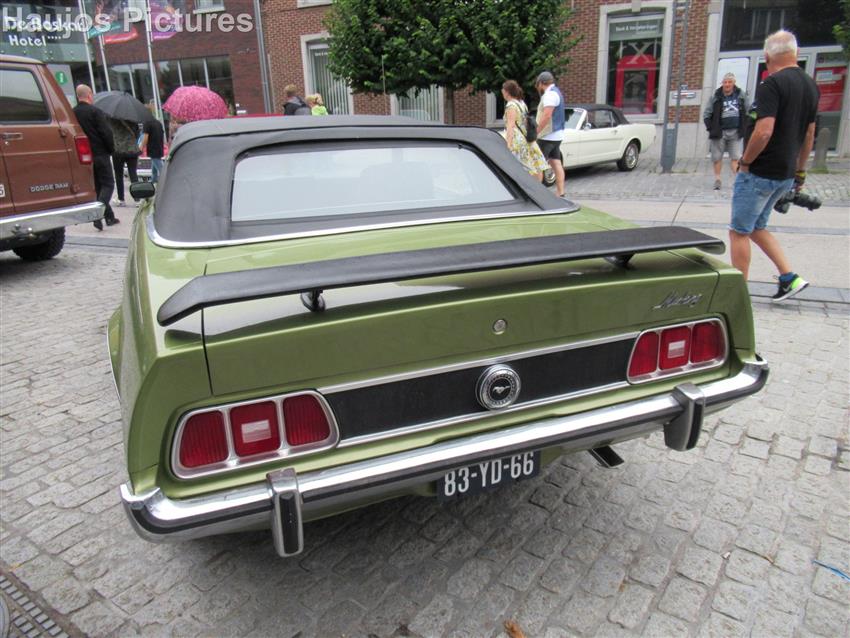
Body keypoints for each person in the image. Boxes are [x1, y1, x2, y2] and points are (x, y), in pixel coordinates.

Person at [730, 29, 819, 301]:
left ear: (767, 57)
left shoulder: (772, 84)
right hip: (785, 173)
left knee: (739, 232)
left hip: (761, 171)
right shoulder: (810, 85)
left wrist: (746, 162)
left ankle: (737, 296)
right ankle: (789, 278)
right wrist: (799, 172)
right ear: (796, 54)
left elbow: (764, 131)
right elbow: (809, 135)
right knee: (757, 227)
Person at [72, 84, 117, 230]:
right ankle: (98, 214)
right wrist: (111, 149)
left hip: (84, 156)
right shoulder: (95, 112)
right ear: (90, 95)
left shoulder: (72, 114)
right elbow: (106, 133)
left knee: (98, 186)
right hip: (100, 153)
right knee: (108, 184)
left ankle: (109, 217)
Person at [704, 72, 748, 190]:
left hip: (736, 131)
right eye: (725, 82)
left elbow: (748, 111)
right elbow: (707, 114)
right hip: (720, 132)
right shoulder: (716, 96)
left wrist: (745, 126)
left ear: (734, 83)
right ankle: (718, 179)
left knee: (736, 157)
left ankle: (738, 181)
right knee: (717, 157)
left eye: (729, 82)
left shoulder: (741, 96)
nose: (727, 84)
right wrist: (711, 127)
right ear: (722, 83)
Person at [501, 80, 548, 181]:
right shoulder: (521, 103)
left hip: (517, 141)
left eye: (503, 90)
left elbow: (510, 126)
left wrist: (508, 145)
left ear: (507, 92)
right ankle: (538, 188)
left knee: (520, 168)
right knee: (535, 165)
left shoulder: (511, 106)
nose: (502, 92)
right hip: (527, 137)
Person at [534, 71, 566, 197]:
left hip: (547, 136)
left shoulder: (549, 95)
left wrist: (536, 131)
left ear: (541, 83)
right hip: (557, 135)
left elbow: (547, 115)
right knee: (555, 162)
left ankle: (537, 194)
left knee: (537, 164)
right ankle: (560, 192)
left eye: (538, 84)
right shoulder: (557, 92)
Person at [109, 117, 140, 205]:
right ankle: (137, 199)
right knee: (133, 174)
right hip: (132, 149)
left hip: (118, 150)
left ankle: (121, 199)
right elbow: (137, 133)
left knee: (119, 175)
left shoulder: (112, 119)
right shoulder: (133, 118)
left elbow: (109, 133)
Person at [140, 102, 165, 183]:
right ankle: (153, 180)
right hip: (159, 147)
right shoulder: (158, 122)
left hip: (152, 148)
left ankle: (166, 180)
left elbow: (145, 138)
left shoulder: (147, 123)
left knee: (160, 168)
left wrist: (141, 147)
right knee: (154, 166)